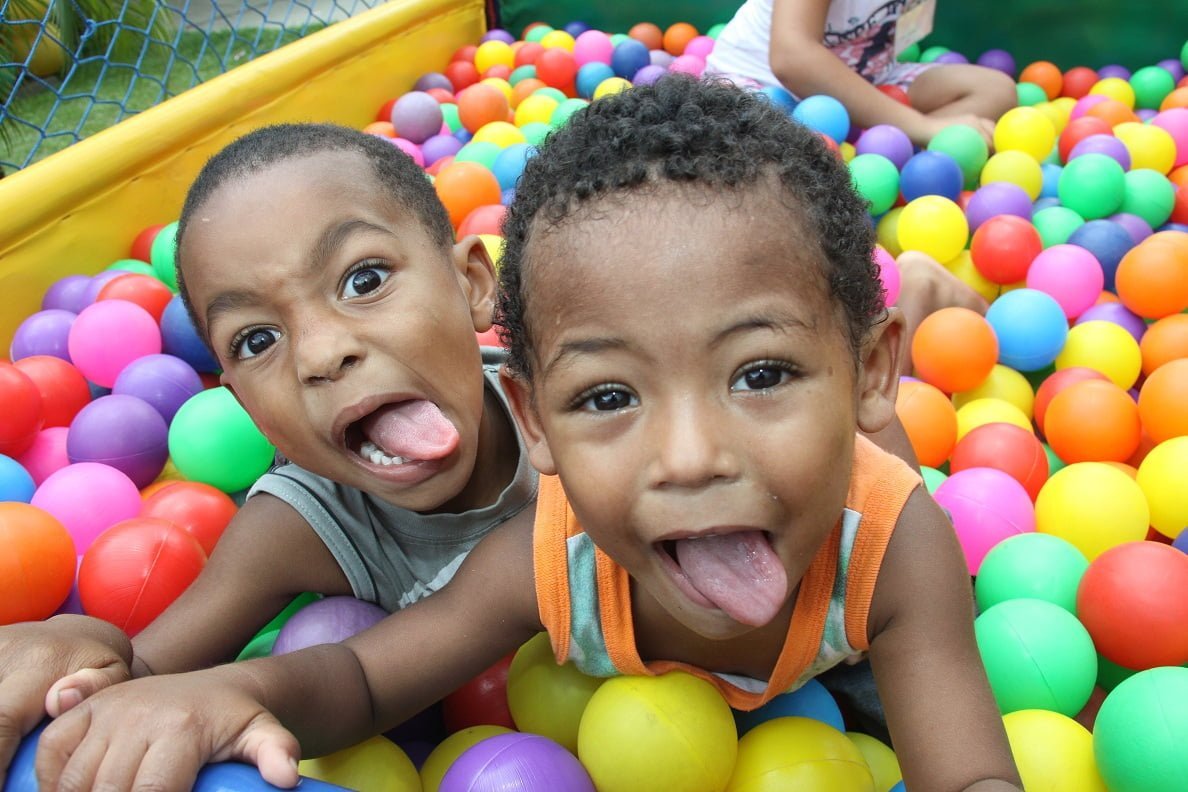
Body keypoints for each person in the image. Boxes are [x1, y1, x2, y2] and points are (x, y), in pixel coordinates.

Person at [28, 77, 1021, 791]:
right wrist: (211, 691)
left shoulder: (895, 549)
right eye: (607, 398)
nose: (688, 455)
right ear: (539, 420)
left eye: (760, 376)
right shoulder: (545, 554)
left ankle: (912, 289)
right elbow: (365, 673)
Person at [0, 123, 541, 780]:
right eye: (257, 340)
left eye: (364, 279)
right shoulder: (296, 526)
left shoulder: (578, 416)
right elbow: (147, 675)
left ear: (473, 285)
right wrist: (79, 652)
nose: (321, 353)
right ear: (247, 408)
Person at [705, 0, 1018, 146]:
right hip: (762, 86)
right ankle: (891, 146)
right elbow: (791, 57)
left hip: (868, 78)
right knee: (766, 156)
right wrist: (923, 126)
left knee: (995, 90)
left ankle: (882, 156)